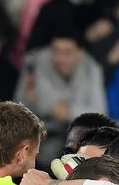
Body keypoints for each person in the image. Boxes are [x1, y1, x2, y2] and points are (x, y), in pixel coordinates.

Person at [16, 28, 107, 164]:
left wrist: (69, 111)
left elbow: (100, 112)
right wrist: (52, 107)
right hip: (38, 153)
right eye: (56, 51)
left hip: (79, 155)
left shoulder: (91, 68)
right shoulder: (35, 63)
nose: (60, 58)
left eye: (67, 52)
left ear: (79, 53)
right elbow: (19, 105)